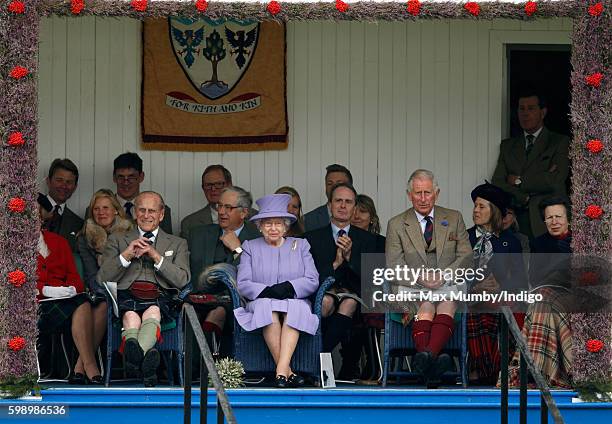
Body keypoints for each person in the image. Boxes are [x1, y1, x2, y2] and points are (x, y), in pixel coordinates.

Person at [385, 169, 472, 387]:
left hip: (447, 282)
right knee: (425, 306)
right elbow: (393, 266)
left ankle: (425, 361)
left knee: (448, 303)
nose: (423, 199)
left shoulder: (453, 218)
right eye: (418, 193)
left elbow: (466, 256)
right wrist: (420, 279)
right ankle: (433, 364)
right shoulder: (397, 224)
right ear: (409, 195)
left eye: (427, 193)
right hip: (411, 285)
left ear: (437, 193)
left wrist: (444, 275)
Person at [97, 191, 190, 387]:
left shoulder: (178, 243)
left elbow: (182, 280)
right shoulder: (117, 239)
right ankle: (146, 361)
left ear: (161, 215)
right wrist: (126, 255)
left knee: (153, 311)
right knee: (130, 315)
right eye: (142, 210)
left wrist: (157, 256)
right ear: (134, 213)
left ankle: (134, 360)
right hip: (126, 296)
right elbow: (102, 277)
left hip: (160, 296)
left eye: (152, 211)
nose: (146, 215)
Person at [234, 194, 320, 388]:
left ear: (286, 226)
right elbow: (244, 283)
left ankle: (281, 371)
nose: (273, 228)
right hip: (261, 300)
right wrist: (267, 290)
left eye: (278, 224)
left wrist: (289, 287)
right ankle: (287, 372)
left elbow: (313, 279)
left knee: (296, 309)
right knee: (267, 308)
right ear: (260, 226)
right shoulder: (249, 247)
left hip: (294, 299)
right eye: (268, 224)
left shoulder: (301, 246)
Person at [305, 183, 377, 365]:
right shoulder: (311, 238)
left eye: (348, 202)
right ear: (330, 205)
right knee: (326, 301)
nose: (343, 206)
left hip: (358, 300)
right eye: (338, 201)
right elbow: (309, 277)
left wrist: (350, 258)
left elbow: (373, 280)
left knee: (349, 302)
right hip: (321, 294)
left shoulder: (369, 240)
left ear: (354, 207)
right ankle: (316, 358)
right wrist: (336, 263)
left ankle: (314, 359)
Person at [507, 196, 573, 388]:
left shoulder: (581, 240)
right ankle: (544, 369)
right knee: (542, 300)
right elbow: (535, 279)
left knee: (542, 302)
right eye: (549, 218)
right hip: (549, 293)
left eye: (558, 217)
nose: (554, 222)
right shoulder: (539, 244)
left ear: (568, 218)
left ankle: (534, 368)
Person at [36, 194, 103, 384]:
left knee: (82, 302)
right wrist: (45, 290)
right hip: (34, 306)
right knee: (80, 304)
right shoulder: (12, 247)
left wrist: (71, 288)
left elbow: (76, 278)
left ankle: (85, 367)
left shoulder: (58, 242)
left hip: (65, 301)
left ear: (41, 216)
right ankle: (88, 368)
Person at [466, 182, 527, 385]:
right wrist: (475, 286)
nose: (476, 210)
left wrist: (500, 287)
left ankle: (502, 368)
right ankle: (484, 369)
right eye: (475, 205)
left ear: (494, 211)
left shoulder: (511, 241)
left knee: (508, 307)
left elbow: (519, 279)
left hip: (501, 297)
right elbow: (453, 273)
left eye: (482, 206)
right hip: (470, 297)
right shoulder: (464, 238)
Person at [187, 186, 259, 354]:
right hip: (202, 297)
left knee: (218, 312)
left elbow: (256, 274)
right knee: (188, 311)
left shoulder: (257, 238)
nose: (222, 212)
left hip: (238, 300)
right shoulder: (198, 234)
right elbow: (192, 274)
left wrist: (237, 250)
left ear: (244, 213)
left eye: (229, 208)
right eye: (220, 206)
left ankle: (205, 367)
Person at [492, 88, 570, 239]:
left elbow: (555, 180)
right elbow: (498, 182)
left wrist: (518, 181)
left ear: (543, 112)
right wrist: (524, 197)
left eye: (531, 108)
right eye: (521, 109)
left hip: (547, 222)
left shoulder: (559, 142)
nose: (525, 113)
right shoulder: (508, 146)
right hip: (515, 222)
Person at [76, 189, 133, 378]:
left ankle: (81, 365)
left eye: (106, 208)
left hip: (126, 289)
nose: (101, 212)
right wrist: (104, 290)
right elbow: (92, 275)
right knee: (98, 305)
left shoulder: (130, 234)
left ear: (116, 210)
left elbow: (131, 271)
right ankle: (88, 366)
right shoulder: (85, 237)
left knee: (102, 305)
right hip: (99, 289)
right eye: (96, 209)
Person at [112, 152, 173, 234]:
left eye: (131, 177)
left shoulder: (161, 210)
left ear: (141, 177)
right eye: (121, 177)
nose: (125, 182)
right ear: (114, 178)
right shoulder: (97, 210)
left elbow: (167, 243)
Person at [44, 158, 83, 252]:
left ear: (75, 187)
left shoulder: (79, 224)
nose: (64, 186)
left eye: (69, 182)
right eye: (59, 180)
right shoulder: (29, 212)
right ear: (48, 181)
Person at [304, 164, 353, 232]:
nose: (334, 187)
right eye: (330, 184)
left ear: (350, 187)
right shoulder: (308, 219)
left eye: (339, 184)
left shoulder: (359, 217)